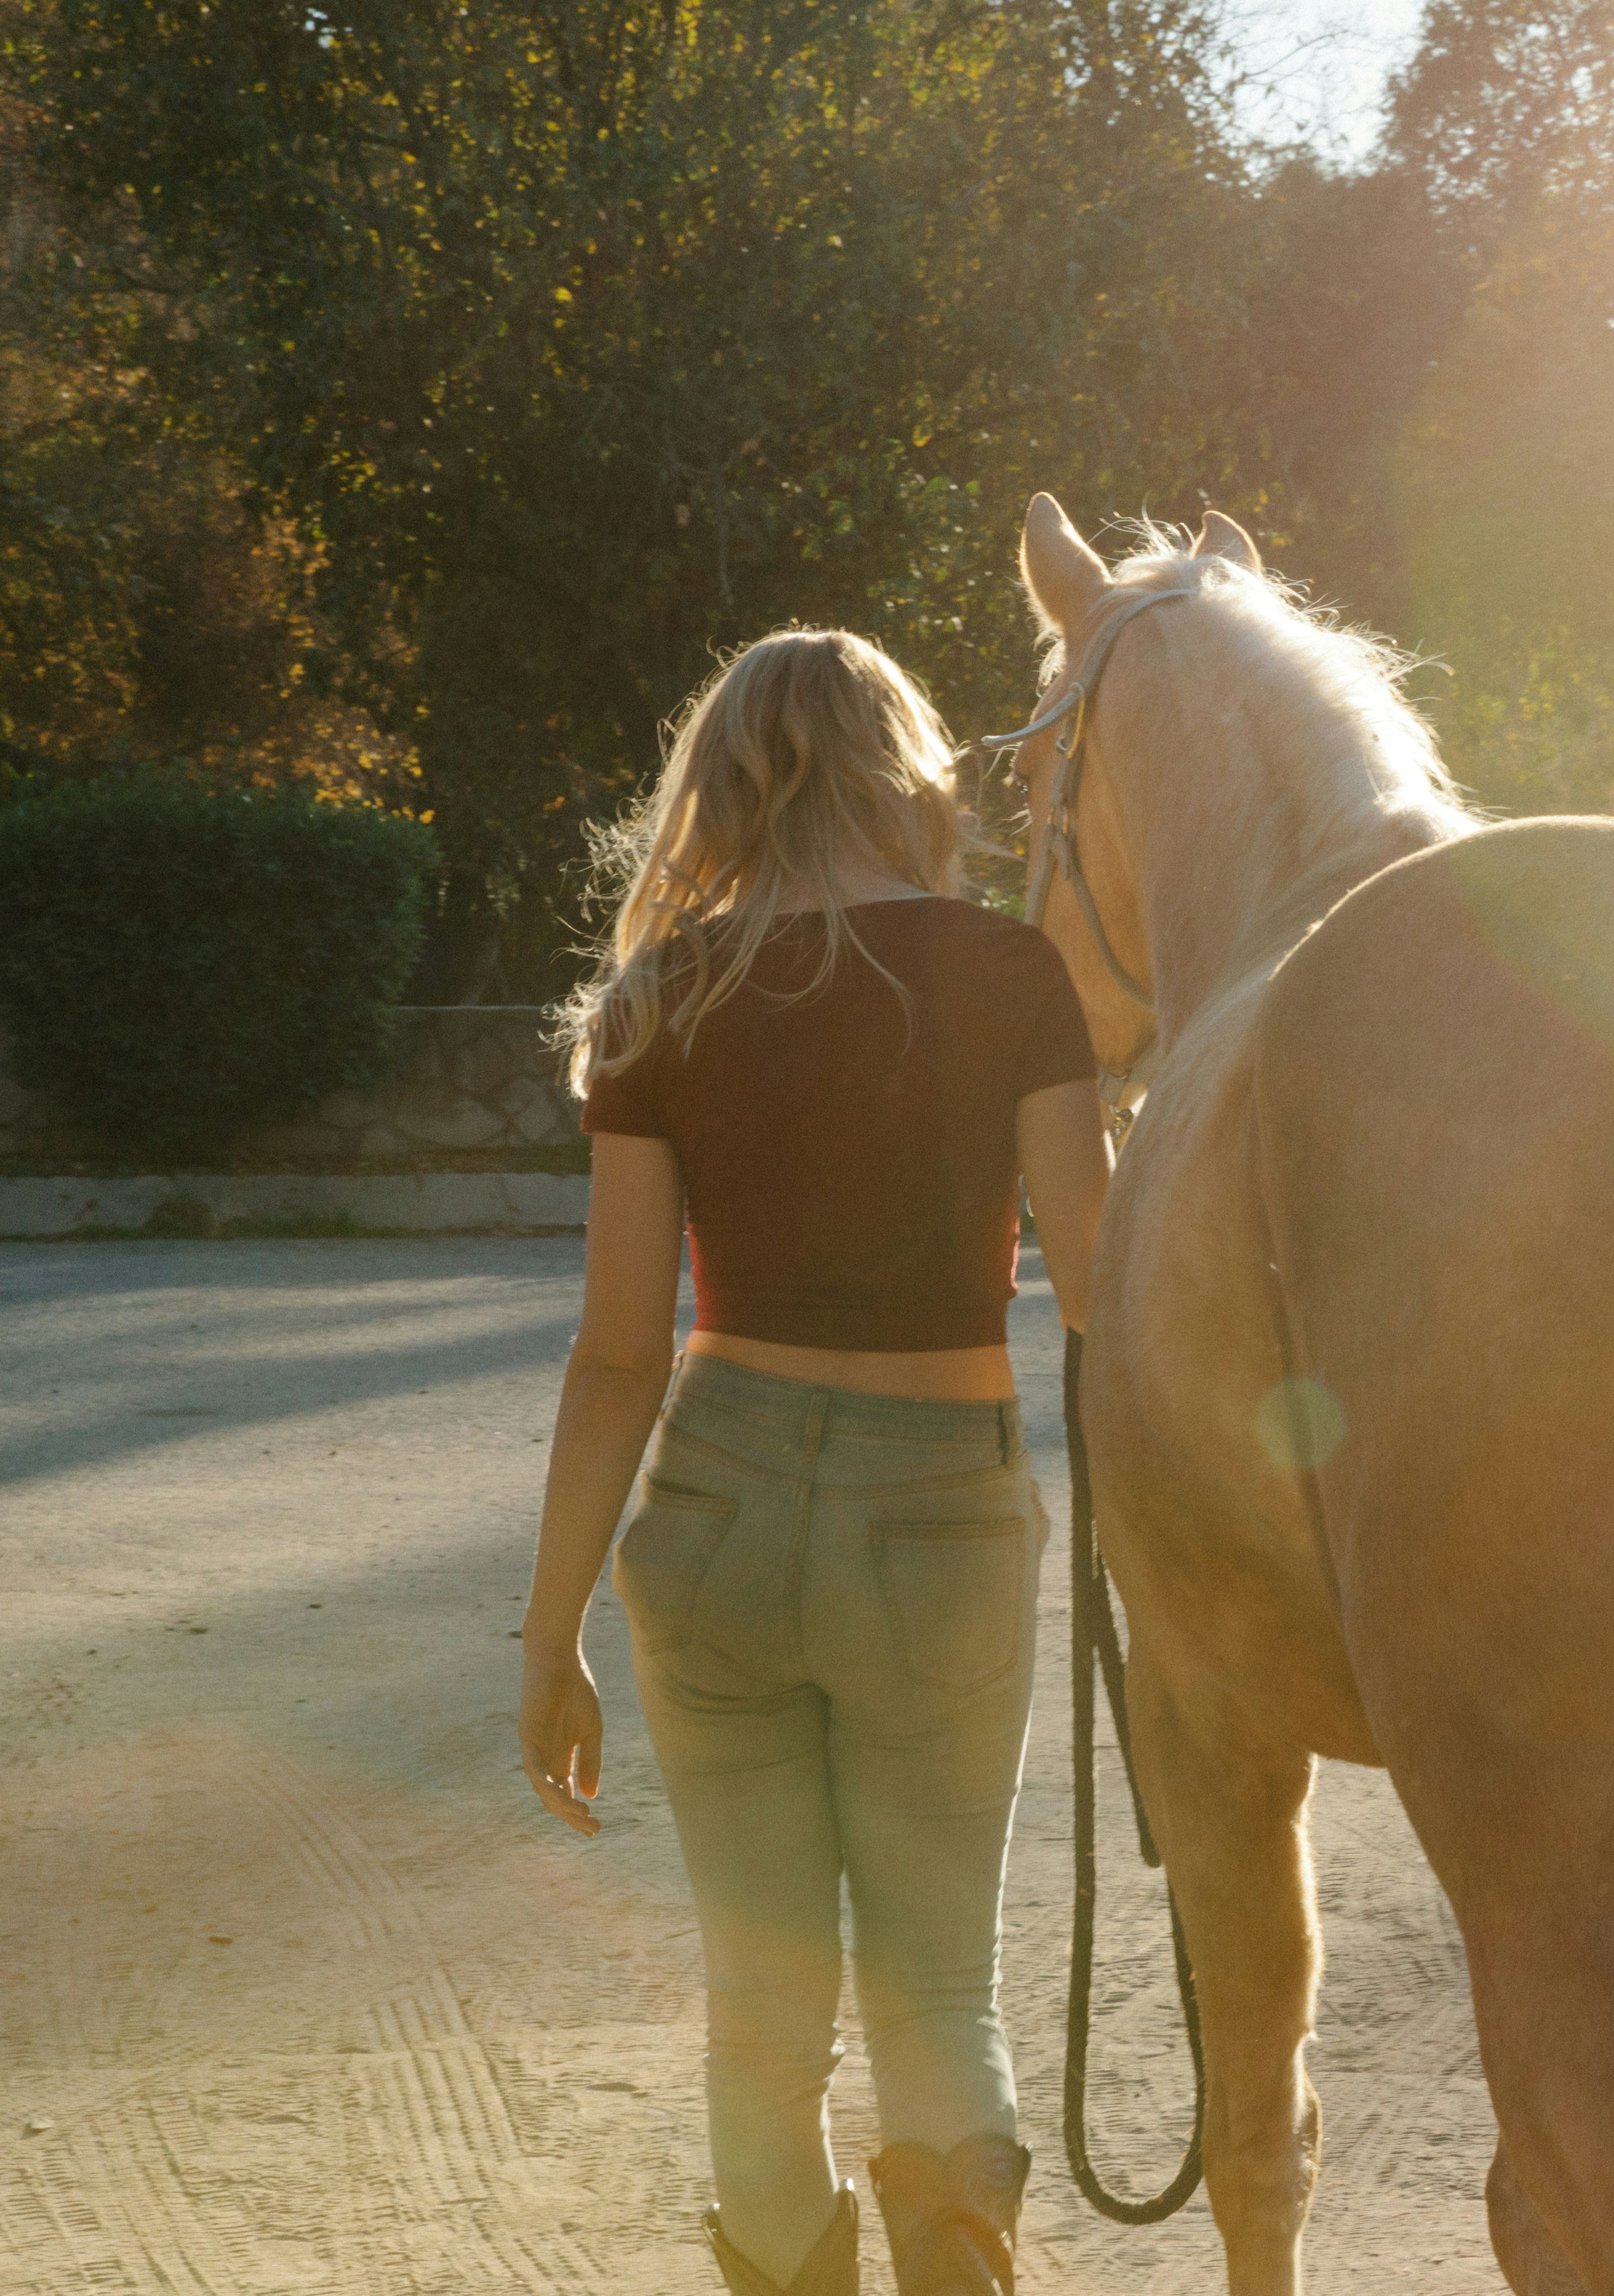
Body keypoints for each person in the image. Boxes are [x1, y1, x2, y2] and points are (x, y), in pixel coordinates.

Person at [514, 629, 1108, 2296]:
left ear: (722, 782)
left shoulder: (661, 999)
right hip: (941, 1506)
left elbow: (620, 1349)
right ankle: (958, 2259)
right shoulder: (1010, 974)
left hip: (714, 1505)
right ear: (900, 765)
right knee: (936, 1987)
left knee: (759, 1999)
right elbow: (1107, 1287)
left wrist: (551, 1631)